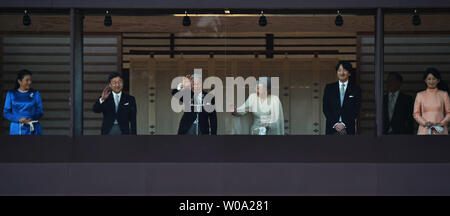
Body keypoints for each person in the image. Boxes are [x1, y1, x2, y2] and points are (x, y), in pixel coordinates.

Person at [322, 61, 361, 135]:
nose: (342, 73)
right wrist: (335, 124)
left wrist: (344, 124)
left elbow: (356, 109)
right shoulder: (329, 88)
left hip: (348, 128)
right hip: (332, 127)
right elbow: (325, 108)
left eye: (345, 70)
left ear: (349, 73)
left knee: (349, 146)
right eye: (339, 70)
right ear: (337, 73)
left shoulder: (356, 89)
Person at [3, 69, 43, 135]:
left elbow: (40, 111)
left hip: (33, 127)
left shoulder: (35, 93)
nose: (29, 82)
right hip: (17, 129)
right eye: (27, 80)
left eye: (30, 80)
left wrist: (32, 118)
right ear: (19, 81)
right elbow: (6, 112)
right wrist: (18, 119)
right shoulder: (11, 94)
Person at [413, 68, 450, 135]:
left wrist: (441, 123)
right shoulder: (420, 95)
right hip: (424, 130)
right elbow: (416, 114)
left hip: (440, 130)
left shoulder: (444, 94)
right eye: (429, 79)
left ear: (438, 80)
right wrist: (425, 123)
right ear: (425, 80)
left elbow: (449, 113)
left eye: (434, 79)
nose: (431, 81)